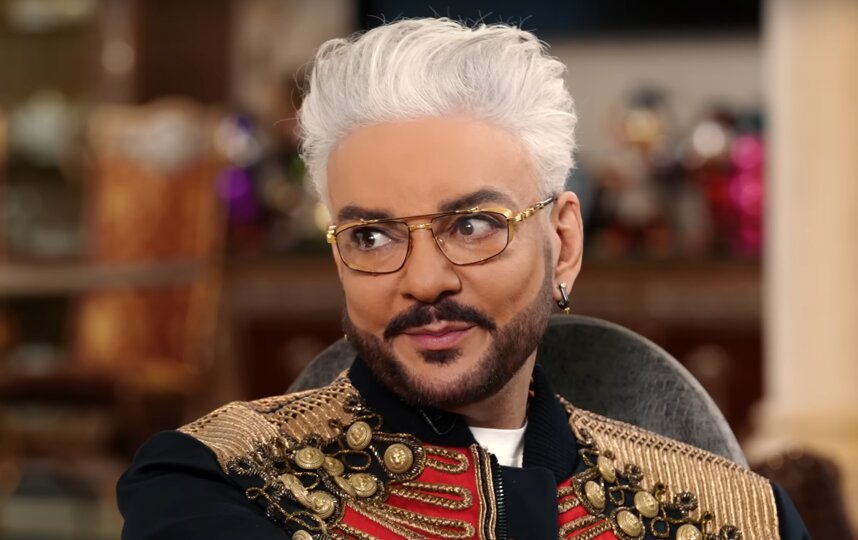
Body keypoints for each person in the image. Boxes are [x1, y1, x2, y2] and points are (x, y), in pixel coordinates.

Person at [118, 18, 809, 539]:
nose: (424, 281)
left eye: (473, 225)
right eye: (372, 236)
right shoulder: (212, 483)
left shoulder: (737, 516)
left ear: (564, 243)